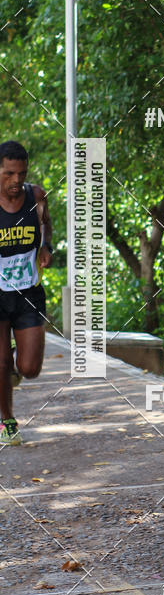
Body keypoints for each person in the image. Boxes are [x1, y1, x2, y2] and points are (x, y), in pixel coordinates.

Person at [0, 141, 53, 445]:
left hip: (27, 291)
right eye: (9, 173)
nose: (16, 181)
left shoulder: (36, 196)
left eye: (21, 173)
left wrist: (46, 246)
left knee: (29, 368)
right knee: (1, 363)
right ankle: (7, 421)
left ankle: (13, 364)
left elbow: (45, 223)